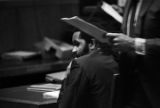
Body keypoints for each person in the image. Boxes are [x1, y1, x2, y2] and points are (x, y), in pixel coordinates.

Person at [107, 0, 160, 108]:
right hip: (129, 86)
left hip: (155, 85)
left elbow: (131, 42)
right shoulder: (130, 3)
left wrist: (133, 44)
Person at [58, 33, 119, 108]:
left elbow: (65, 105)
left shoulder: (82, 64)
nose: (73, 50)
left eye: (77, 44)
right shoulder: (120, 60)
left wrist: (66, 78)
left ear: (92, 44)